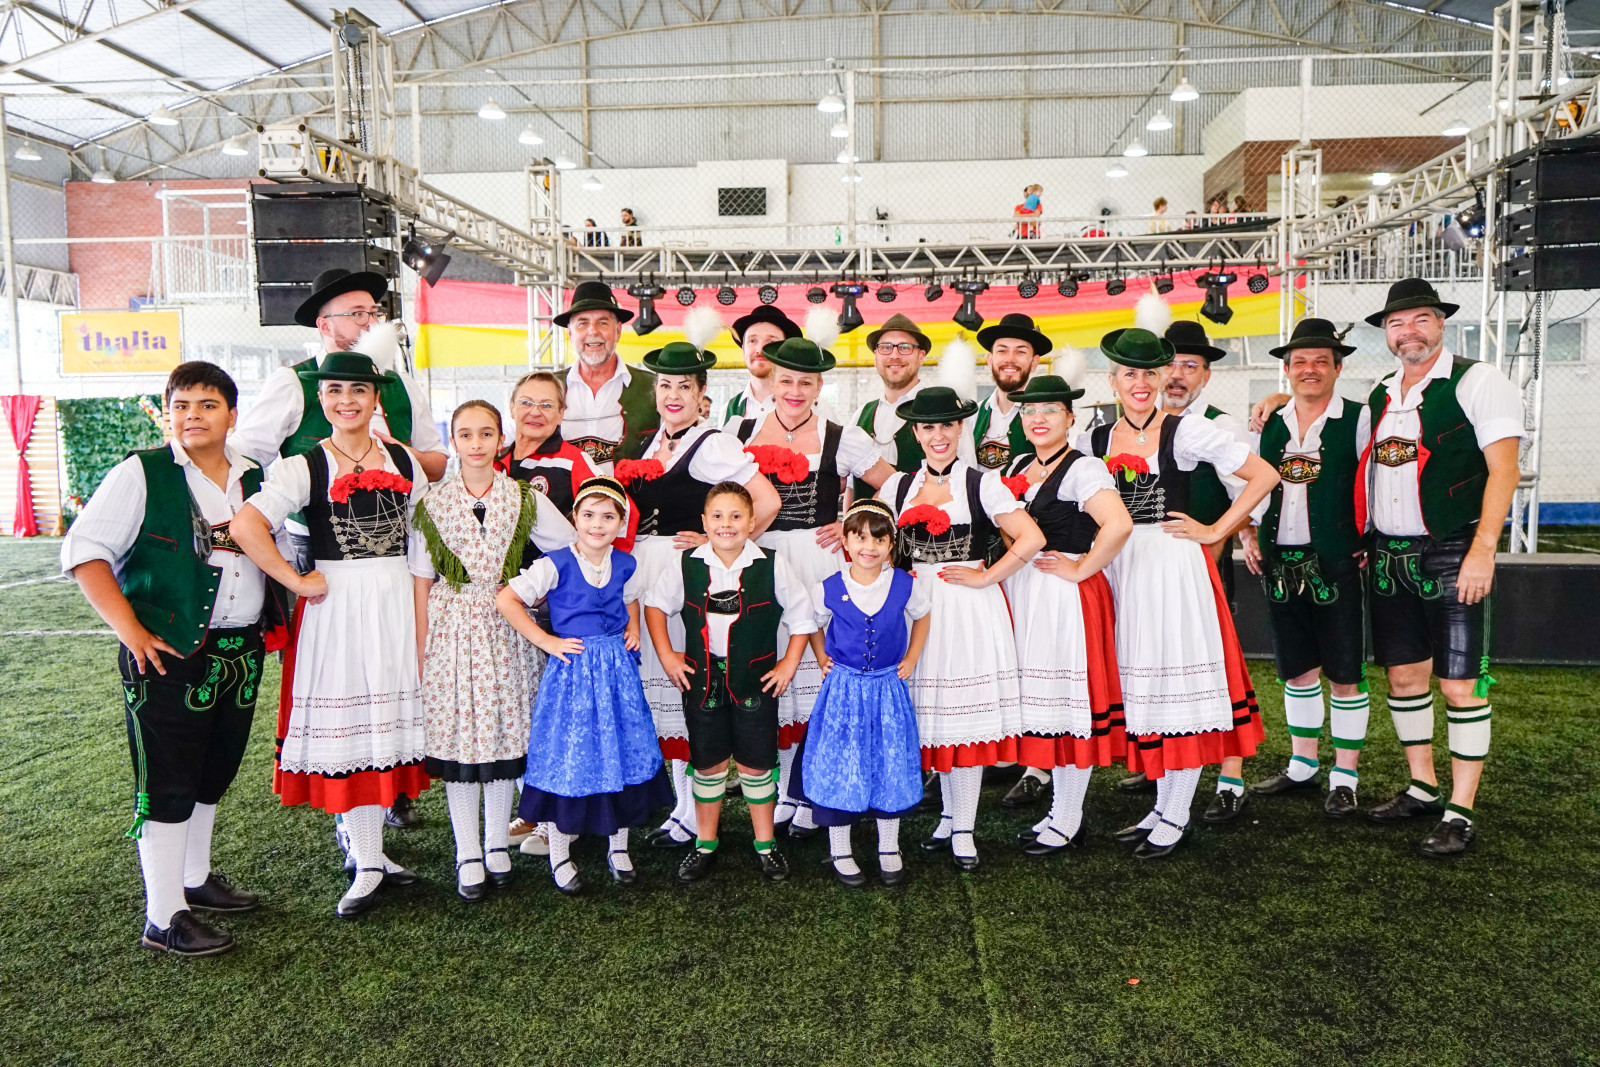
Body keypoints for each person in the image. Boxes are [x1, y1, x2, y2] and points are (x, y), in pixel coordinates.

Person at [62, 362, 289, 957]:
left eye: (207, 405)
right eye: (181, 405)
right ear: (169, 414)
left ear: (232, 415)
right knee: (167, 780)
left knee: (214, 771)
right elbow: (84, 551)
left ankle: (194, 878)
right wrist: (130, 630)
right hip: (166, 654)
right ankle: (163, 916)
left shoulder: (255, 475)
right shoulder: (142, 472)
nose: (192, 416)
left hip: (240, 649)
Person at [232, 271, 446, 832]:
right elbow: (245, 459)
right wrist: (292, 569)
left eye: (374, 312)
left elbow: (434, 470)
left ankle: (392, 794)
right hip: (320, 553)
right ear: (324, 322)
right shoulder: (292, 384)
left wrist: (396, 457)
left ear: (374, 395)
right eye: (357, 312)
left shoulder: (401, 386)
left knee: (392, 679)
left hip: (396, 571)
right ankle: (357, 834)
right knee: (339, 679)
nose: (369, 321)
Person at [1082, 328, 1277, 859]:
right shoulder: (1094, 440)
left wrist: (1215, 530)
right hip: (1121, 570)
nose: (1140, 383)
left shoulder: (1186, 430)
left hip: (1171, 568)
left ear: (1162, 376)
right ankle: (1161, 806)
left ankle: (1176, 812)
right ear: (1113, 381)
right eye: (1129, 374)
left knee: (1176, 688)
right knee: (1146, 690)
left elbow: (1264, 475)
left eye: (1150, 373)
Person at [614, 332, 781, 849]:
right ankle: (679, 807)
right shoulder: (648, 441)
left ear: (702, 393)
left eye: (684, 386)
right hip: (645, 572)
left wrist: (719, 545)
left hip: (689, 575)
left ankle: (692, 815)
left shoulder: (714, 443)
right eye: (665, 385)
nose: (673, 395)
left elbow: (766, 502)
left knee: (689, 690)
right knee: (662, 692)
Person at [732, 324, 897, 837]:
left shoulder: (842, 436)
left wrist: (850, 521)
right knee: (773, 670)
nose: (795, 391)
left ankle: (811, 792)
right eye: (787, 380)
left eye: (806, 382)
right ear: (772, 379)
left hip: (818, 560)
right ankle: (785, 791)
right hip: (759, 559)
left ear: (820, 386)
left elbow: (893, 484)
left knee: (817, 675)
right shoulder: (740, 431)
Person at [411, 400, 578, 901]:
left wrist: (532, 589)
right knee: (462, 740)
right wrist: (422, 648)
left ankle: (496, 845)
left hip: (507, 624)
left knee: (505, 735)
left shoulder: (523, 498)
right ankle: (467, 852)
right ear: (453, 441)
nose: (477, 443)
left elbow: (569, 547)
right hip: (452, 626)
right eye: (465, 434)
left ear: (500, 439)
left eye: (486, 433)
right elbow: (421, 579)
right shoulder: (432, 502)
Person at [879, 386, 1046, 871]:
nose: (938, 435)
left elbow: (1031, 537)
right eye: (928, 426)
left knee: (963, 723)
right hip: (916, 612)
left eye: (947, 425)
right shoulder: (897, 487)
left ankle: (965, 829)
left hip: (968, 610)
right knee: (932, 721)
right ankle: (948, 817)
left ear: (960, 429)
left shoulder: (982, 482)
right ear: (915, 432)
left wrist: (987, 577)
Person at [495, 477, 671, 892]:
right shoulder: (555, 563)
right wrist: (547, 641)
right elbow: (507, 599)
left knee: (619, 753)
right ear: (574, 518)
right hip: (573, 674)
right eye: (589, 515)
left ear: (620, 523)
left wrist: (633, 629)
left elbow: (631, 598)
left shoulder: (626, 563)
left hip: (617, 675)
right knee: (570, 756)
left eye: (608, 517)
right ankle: (559, 854)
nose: (597, 524)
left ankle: (618, 848)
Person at [644, 481, 815, 884]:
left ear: (752, 522)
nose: (727, 524)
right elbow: (654, 605)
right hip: (701, 681)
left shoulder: (771, 563)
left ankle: (766, 845)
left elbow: (802, 616)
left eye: (736, 516)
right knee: (709, 764)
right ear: (704, 522)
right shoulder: (687, 563)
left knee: (756, 765)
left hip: (756, 682)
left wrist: (789, 663)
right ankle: (705, 843)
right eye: (718, 516)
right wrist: (668, 655)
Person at [1237, 319, 1373, 819]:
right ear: (1287, 370)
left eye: (1320, 361)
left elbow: (1376, 480)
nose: (1309, 369)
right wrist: (1247, 532)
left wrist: (1369, 536)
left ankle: (1346, 777)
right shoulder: (1267, 423)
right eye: (1299, 362)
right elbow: (1248, 485)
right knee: (1296, 670)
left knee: (1344, 672)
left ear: (1339, 368)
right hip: (1279, 558)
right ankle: (1302, 765)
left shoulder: (1359, 418)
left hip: (1336, 557)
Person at [1000, 375, 1134, 856]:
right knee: (1047, 706)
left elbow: (1119, 523)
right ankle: (1058, 811)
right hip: (1028, 592)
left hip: (1064, 596)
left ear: (1071, 418)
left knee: (1067, 705)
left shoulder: (1083, 467)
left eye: (1050, 410)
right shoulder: (1019, 465)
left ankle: (1070, 818)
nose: (1038, 419)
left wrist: (1081, 568)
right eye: (1030, 411)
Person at [1139, 319, 1259, 822]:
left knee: (1218, 673)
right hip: (1147, 576)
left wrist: (1216, 535)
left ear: (1206, 376)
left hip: (1200, 573)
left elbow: (1250, 497)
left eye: (1190, 366)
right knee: (1159, 670)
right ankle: (1165, 768)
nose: (1176, 375)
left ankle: (1230, 779)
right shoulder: (1135, 426)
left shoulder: (1220, 426)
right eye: (1168, 365)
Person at [795, 498, 931, 887]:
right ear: (846, 542)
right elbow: (812, 623)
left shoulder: (904, 584)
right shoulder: (830, 587)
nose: (868, 547)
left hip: (887, 688)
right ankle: (840, 847)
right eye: (860, 538)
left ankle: (889, 846)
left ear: (890, 545)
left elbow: (922, 616)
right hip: (844, 691)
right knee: (842, 762)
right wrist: (822, 657)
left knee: (889, 761)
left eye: (878, 539)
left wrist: (912, 657)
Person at [555, 281, 659, 472]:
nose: (593, 331)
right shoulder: (547, 387)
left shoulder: (655, 387)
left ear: (618, 331)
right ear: (570, 333)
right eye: (583, 323)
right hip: (560, 492)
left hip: (631, 492)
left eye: (602, 323)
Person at [968, 313, 1049, 472]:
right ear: (990, 360)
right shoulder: (972, 416)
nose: (1010, 359)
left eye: (1020, 352)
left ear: (1034, 362)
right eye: (1002, 351)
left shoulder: (1049, 416)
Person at [720, 305, 801, 426]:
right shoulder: (728, 410)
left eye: (771, 342)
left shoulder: (812, 406)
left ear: (785, 351)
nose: (760, 349)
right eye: (752, 341)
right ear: (743, 350)